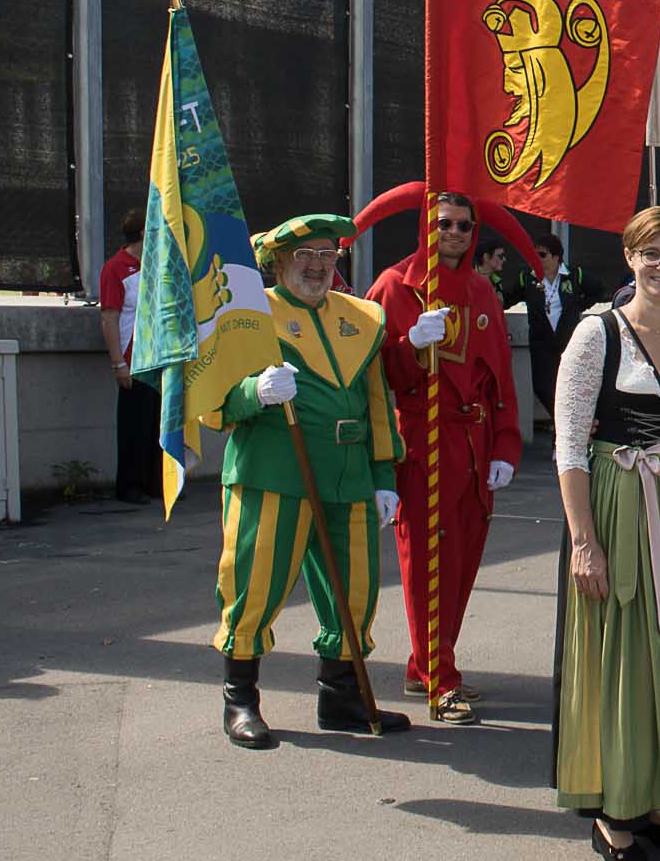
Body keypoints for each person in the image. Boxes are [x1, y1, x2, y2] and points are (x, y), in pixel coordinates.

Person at [553, 206, 660, 858]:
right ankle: (615, 809)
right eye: (650, 254)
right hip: (618, 502)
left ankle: (656, 793)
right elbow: (569, 446)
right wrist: (583, 541)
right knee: (621, 649)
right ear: (629, 257)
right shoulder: (596, 333)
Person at [213, 214, 410, 747]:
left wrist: (383, 472)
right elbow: (213, 404)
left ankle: (341, 695)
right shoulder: (248, 316)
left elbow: (376, 401)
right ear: (276, 263)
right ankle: (240, 698)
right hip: (275, 472)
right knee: (256, 584)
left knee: (355, 591)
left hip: (348, 476)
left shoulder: (363, 317)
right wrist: (255, 391)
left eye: (328, 254)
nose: (318, 265)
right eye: (304, 255)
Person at [368, 190, 523, 724]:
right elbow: (371, 379)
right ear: (426, 225)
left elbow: (501, 377)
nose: (453, 232)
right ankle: (441, 679)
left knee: (462, 565)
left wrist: (506, 442)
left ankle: (425, 662)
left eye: (463, 225)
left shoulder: (483, 292)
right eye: (444, 223)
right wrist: (409, 345)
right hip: (422, 443)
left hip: (475, 448)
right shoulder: (395, 286)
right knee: (428, 564)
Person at [96, 208, 159, 506]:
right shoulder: (115, 268)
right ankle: (129, 485)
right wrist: (118, 363)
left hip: (159, 356)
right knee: (134, 423)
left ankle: (155, 482)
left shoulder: (158, 266)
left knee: (157, 421)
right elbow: (109, 318)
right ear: (144, 234)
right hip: (133, 358)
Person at [528, 231, 607, 434]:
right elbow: (507, 297)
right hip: (541, 344)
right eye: (534, 254)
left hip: (567, 342)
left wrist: (579, 306)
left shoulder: (573, 275)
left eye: (542, 255)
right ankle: (563, 426)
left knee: (570, 387)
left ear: (556, 257)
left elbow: (599, 289)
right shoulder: (527, 278)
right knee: (542, 387)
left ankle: (564, 434)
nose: (538, 259)